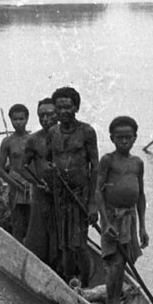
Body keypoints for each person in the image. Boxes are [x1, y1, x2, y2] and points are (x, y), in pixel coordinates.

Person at [96, 116, 148, 304]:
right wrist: (105, 222)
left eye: (128, 137)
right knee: (114, 264)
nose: (124, 141)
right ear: (112, 138)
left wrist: (142, 227)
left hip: (130, 218)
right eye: (120, 137)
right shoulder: (108, 160)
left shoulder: (137, 163)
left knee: (123, 263)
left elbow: (140, 195)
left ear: (135, 138)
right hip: (112, 217)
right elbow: (98, 192)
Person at [47, 86, 98, 283]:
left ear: (76, 108)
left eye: (68, 107)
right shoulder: (53, 132)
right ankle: (70, 280)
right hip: (61, 194)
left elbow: (95, 167)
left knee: (79, 244)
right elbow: (50, 160)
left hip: (81, 195)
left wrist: (92, 203)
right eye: (59, 108)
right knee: (65, 244)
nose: (63, 112)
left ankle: (85, 283)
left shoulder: (86, 132)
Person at [19, 98, 58, 268]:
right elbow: (22, 167)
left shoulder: (66, 138)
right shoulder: (34, 140)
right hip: (41, 194)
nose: (45, 119)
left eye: (49, 114)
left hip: (62, 195)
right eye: (41, 115)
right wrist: (36, 182)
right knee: (38, 234)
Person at [0, 103, 33, 242]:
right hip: (15, 185)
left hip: (31, 184)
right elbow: (0, 169)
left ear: (27, 119)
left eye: (21, 119)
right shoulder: (8, 142)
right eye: (15, 119)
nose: (18, 122)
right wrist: (15, 184)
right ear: (10, 120)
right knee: (17, 222)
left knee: (32, 221)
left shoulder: (32, 139)